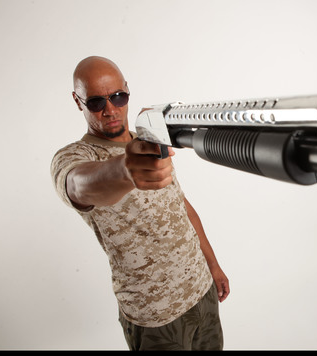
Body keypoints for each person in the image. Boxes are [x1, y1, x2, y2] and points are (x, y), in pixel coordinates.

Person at [50, 56, 229, 350]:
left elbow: (182, 208)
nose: (110, 110)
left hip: (202, 292)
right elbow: (77, 184)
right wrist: (123, 170)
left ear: (127, 91)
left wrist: (213, 265)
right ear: (77, 100)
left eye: (118, 97)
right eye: (95, 102)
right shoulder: (77, 157)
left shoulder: (149, 141)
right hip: (155, 317)